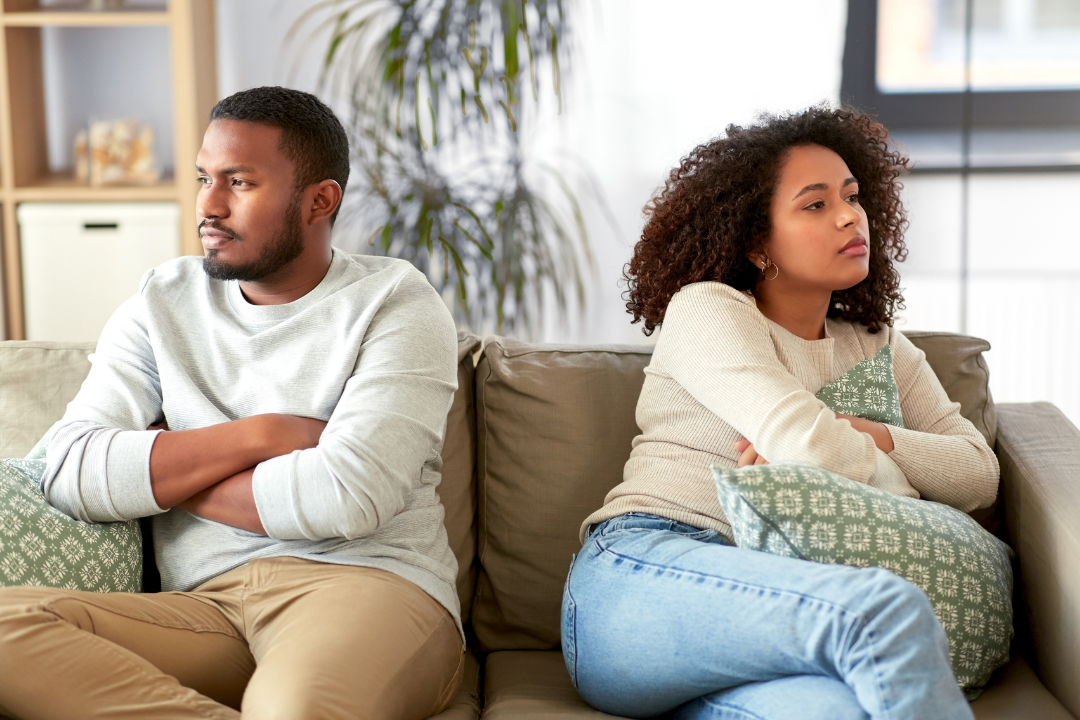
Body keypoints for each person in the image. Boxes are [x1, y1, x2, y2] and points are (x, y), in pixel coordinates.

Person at [0, 87, 464, 720]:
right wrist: (263, 435)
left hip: (366, 587)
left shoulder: (395, 304)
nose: (208, 206)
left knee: (295, 709)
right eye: (204, 178)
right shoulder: (161, 302)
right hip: (204, 607)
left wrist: (163, 473)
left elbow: (349, 495)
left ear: (320, 201)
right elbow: (70, 468)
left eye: (239, 182)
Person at [561, 106, 999, 720]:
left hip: (770, 603)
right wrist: (874, 466)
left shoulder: (881, 345)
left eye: (852, 196)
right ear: (756, 241)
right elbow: (810, 448)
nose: (849, 215)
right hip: (645, 573)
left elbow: (978, 474)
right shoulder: (708, 309)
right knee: (882, 608)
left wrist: (868, 434)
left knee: (842, 712)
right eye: (815, 204)